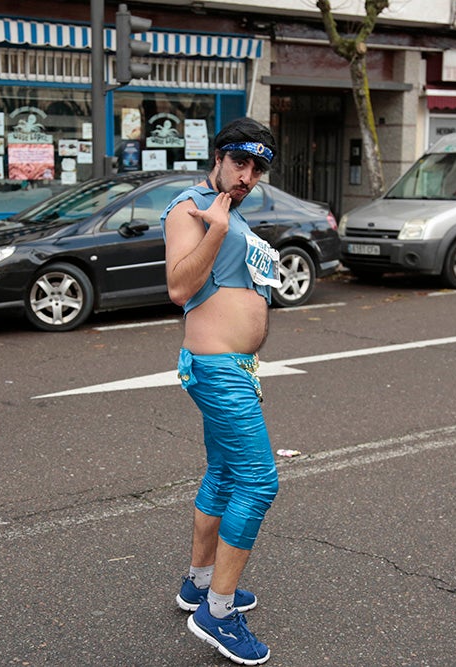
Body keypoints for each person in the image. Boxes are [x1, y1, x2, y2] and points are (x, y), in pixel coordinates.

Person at [161, 118, 281, 666]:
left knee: (225, 474)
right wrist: (215, 228)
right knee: (258, 481)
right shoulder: (190, 208)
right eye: (240, 162)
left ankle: (199, 583)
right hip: (216, 368)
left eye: (257, 168)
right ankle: (218, 612)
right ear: (218, 157)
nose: (247, 175)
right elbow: (179, 287)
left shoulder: (230, 211)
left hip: (236, 366)